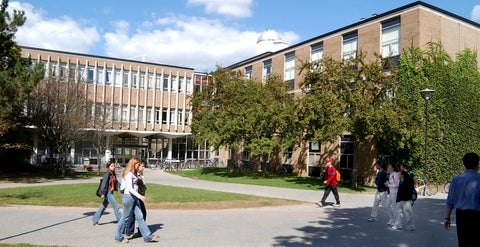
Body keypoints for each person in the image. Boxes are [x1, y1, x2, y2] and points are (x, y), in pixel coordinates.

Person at [115, 157, 159, 243]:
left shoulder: (134, 173)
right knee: (125, 217)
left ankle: (147, 237)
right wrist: (140, 196)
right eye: (138, 164)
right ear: (133, 164)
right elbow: (130, 188)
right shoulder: (129, 174)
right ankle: (118, 236)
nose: (139, 166)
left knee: (140, 217)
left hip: (134, 197)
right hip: (128, 197)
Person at [445, 152, 480, 247]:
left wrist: (447, 218)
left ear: (464, 164)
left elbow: (450, 201)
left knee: (463, 242)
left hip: (461, 215)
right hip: (477, 215)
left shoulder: (456, 179)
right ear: (477, 164)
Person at [92, 160, 122, 226]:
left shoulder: (112, 174)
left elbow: (116, 182)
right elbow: (103, 184)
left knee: (103, 206)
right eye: (112, 166)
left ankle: (94, 219)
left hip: (111, 192)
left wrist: (122, 187)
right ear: (108, 167)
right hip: (108, 193)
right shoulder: (107, 174)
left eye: (114, 166)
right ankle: (121, 221)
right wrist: (102, 193)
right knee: (115, 206)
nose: (113, 167)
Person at [126, 161, 147, 239]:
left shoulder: (141, 175)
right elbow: (133, 187)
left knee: (137, 214)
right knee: (136, 214)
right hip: (136, 197)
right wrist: (140, 196)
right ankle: (129, 232)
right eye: (142, 166)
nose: (143, 168)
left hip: (140, 196)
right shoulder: (135, 175)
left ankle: (135, 231)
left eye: (143, 166)